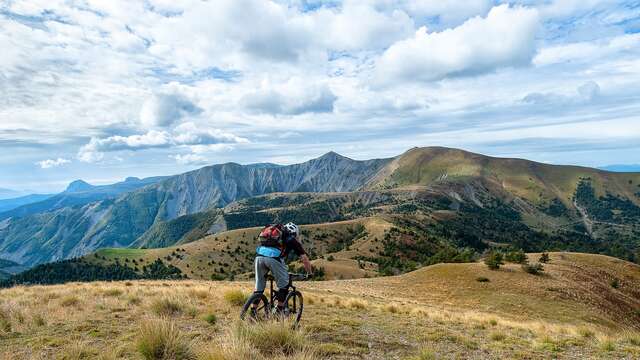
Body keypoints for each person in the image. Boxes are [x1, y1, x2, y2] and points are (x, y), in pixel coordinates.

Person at [253, 222, 313, 313]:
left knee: (259, 287)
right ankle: (279, 310)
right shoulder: (291, 239)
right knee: (284, 286)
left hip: (259, 256)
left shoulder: (272, 232)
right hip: (274, 259)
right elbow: (304, 258)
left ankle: (252, 311)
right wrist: (310, 273)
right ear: (294, 233)